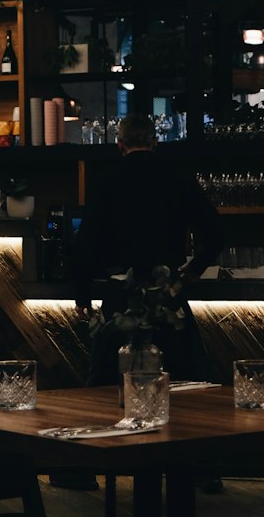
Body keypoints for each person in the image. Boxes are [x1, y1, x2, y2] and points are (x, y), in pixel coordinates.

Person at [73, 111, 223, 387]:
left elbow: (87, 244)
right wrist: (194, 269)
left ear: (120, 145)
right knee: (182, 381)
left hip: (121, 296)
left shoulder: (106, 182)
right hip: (167, 295)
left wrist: (82, 295)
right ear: (155, 143)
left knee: (107, 386)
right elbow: (216, 233)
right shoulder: (179, 178)